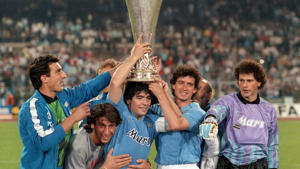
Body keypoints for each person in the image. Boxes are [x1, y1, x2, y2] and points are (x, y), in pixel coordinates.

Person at [105, 35, 193, 169]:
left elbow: (178, 118)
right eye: (139, 97)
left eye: (147, 98)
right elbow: (115, 83)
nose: (145, 102)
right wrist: (134, 57)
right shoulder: (120, 113)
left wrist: (162, 90)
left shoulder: (152, 121)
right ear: (128, 101)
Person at [18, 55, 114, 169]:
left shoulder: (62, 96)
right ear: (44, 78)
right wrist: (73, 118)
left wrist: (123, 66)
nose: (64, 75)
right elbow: (43, 141)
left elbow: (87, 89)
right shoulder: (31, 107)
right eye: (58, 72)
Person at [199, 59, 279, 169]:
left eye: (249, 81)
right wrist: (211, 119)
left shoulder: (268, 110)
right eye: (241, 80)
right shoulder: (228, 101)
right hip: (228, 162)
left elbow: (273, 145)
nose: (244, 85)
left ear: (259, 83)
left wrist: (273, 166)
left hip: (258, 163)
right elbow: (217, 110)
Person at [149, 64, 206, 169]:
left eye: (189, 84)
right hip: (160, 166)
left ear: (194, 90)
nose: (184, 88)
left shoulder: (198, 113)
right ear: (173, 85)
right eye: (181, 83)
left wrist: (162, 94)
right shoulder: (157, 108)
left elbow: (176, 124)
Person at [64, 103, 132, 169]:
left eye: (111, 126)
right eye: (102, 126)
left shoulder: (114, 137)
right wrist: (106, 167)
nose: (107, 132)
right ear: (92, 125)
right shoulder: (78, 147)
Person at [193, 79, 219, 169]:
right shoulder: (186, 111)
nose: (195, 92)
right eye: (194, 88)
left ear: (209, 95)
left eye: (199, 88)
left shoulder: (214, 116)